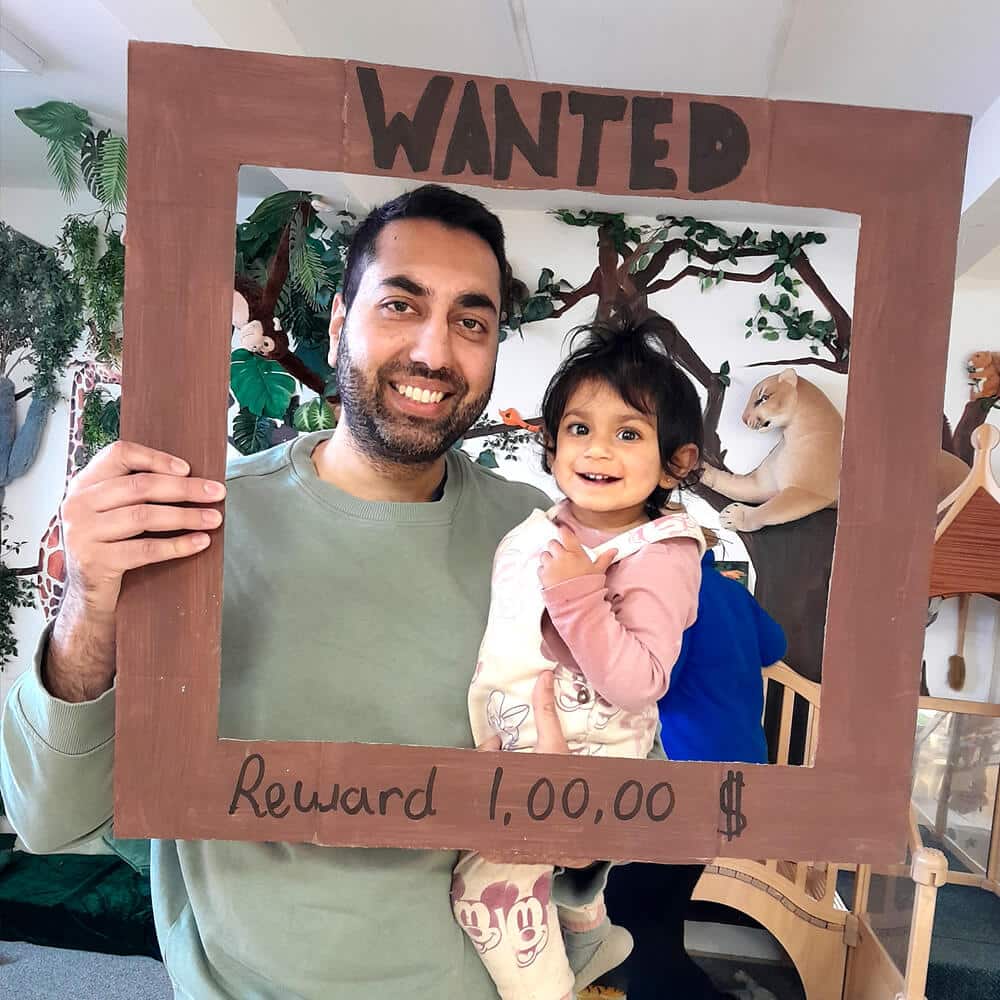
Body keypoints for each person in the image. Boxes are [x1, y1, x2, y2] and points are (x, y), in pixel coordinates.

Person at [0, 185, 624, 1000]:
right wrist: (88, 600)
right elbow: (48, 818)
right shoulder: (196, 521)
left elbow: (599, 819)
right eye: (401, 304)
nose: (435, 352)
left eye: (472, 321)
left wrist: (581, 817)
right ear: (337, 323)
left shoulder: (547, 545)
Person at [453, 317, 708, 1000]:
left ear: (676, 462)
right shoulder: (552, 524)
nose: (599, 449)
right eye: (579, 428)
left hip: (584, 758)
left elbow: (637, 683)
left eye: (629, 433)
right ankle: (583, 917)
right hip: (518, 740)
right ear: (550, 440)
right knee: (525, 872)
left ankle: (552, 991)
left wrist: (576, 594)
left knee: (485, 891)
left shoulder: (660, 555)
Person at [602, 552, 787, 1000]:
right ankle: (688, 989)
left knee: (631, 907)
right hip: (742, 773)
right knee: (659, 906)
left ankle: (687, 992)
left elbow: (654, 679)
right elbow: (775, 645)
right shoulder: (730, 590)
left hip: (684, 777)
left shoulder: (669, 592)